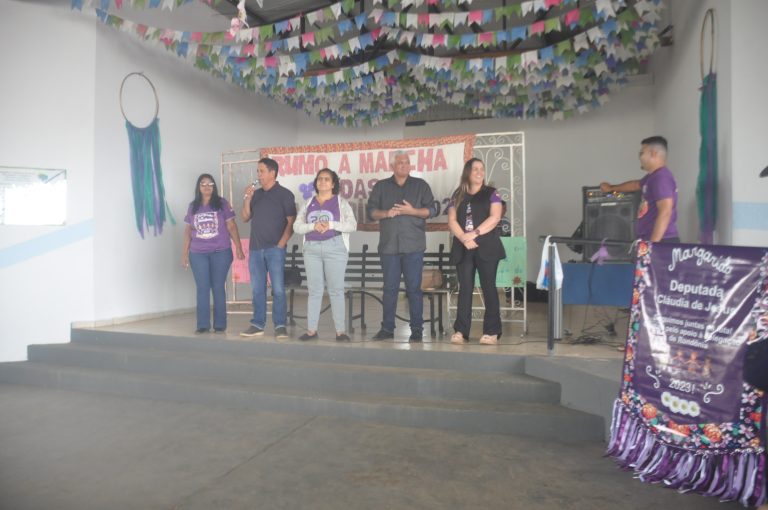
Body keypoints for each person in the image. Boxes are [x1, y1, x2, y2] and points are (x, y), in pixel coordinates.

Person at [366, 150, 437, 343]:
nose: (404, 165)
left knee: (414, 289)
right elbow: (371, 212)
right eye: (400, 162)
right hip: (389, 247)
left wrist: (412, 211)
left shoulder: (421, 185)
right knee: (390, 289)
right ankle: (387, 328)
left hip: (413, 246)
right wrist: (386, 213)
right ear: (392, 166)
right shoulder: (381, 187)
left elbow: (432, 210)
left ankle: (416, 330)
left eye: (407, 162)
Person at [292, 168, 357, 342]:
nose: (322, 182)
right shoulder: (308, 203)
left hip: (335, 248)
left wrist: (331, 224)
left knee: (336, 290)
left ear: (333, 183)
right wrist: (313, 226)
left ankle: (340, 332)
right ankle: (311, 331)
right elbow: (297, 226)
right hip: (311, 249)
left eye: (327, 179)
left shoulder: (341, 203)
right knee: (314, 290)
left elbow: (352, 225)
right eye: (320, 179)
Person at [447, 158, 505, 345]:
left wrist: (474, 234)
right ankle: (461, 331)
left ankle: (492, 331)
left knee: (488, 288)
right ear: (467, 172)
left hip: (487, 247)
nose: (480, 172)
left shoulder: (492, 193)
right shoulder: (458, 194)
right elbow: (452, 220)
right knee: (465, 288)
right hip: (463, 247)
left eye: (482, 169)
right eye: (475, 169)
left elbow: (495, 217)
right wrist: (464, 237)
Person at [240, 158, 297, 339]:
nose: (259, 175)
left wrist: (281, 244)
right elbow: (244, 217)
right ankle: (257, 324)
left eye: (261, 171)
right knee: (257, 289)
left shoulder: (285, 194)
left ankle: (280, 325)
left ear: (273, 173)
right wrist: (248, 199)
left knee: (278, 289)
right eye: (258, 171)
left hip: (275, 249)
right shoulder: (256, 195)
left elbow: (292, 222)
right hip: (255, 249)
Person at [182, 173, 245, 333]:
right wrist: (184, 254)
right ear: (198, 187)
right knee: (202, 287)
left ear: (214, 186)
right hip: (198, 253)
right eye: (203, 184)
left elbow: (231, 226)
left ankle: (220, 324)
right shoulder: (192, 206)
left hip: (220, 252)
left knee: (218, 286)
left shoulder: (222, 203)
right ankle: (202, 324)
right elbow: (188, 231)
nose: (207, 187)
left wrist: (238, 247)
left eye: (210, 184)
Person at [600, 136, 679, 243]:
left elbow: (665, 211)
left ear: (653, 153)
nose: (640, 157)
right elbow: (635, 185)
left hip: (661, 241)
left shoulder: (661, 177)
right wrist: (611, 189)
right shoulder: (652, 177)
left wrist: (652, 245)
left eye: (642, 153)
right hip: (650, 240)